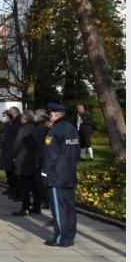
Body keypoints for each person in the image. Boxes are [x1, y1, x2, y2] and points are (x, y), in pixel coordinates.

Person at [42, 102, 80, 247]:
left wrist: (45, 172)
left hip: (57, 175)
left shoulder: (54, 131)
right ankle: (70, 236)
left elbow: (50, 154)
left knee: (59, 208)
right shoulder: (71, 128)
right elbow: (76, 151)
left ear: (52, 114)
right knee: (69, 208)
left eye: (50, 114)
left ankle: (60, 238)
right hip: (69, 172)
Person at [11, 111, 41, 216]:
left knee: (24, 186)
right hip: (33, 160)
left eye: (22, 117)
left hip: (23, 160)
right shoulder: (35, 128)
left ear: (25, 118)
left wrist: (13, 155)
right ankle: (37, 207)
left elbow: (17, 144)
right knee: (34, 185)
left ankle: (25, 208)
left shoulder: (23, 129)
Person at [0, 107, 21, 200]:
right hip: (8, 151)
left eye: (10, 113)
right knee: (9, 172)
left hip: (13, 151)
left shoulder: (17, 122)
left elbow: (15, 138)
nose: (9, 114)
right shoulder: (11, 122)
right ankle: (13, 190)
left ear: (16, 112)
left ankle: (16, 192)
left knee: (14, 174)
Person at [33, 109, 51, 209]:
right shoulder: (41, 127)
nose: (35, 116)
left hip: (42, 158)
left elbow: (41, 144)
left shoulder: (43, 128)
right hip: (40, 157)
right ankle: (43, 200)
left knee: (42, 181)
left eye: (36, 114)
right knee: (40, 181)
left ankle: (45, 201)